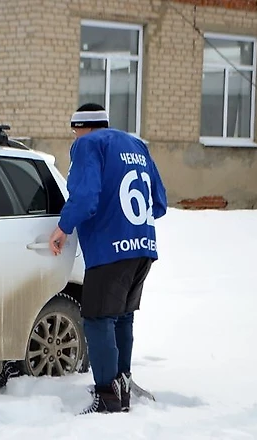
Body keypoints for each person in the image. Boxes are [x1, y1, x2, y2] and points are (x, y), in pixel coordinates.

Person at [49, 103, 167, 414]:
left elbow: (85, 197)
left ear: (83, 128)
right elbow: (160, 202)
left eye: (75, 132)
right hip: (143, 246)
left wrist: (63, 227)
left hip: (110, 249)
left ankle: (108, 396)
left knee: (98, 318)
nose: (74, 139)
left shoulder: (89, 144)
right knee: (121, 317)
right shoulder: (136, 145)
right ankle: (121, 381)